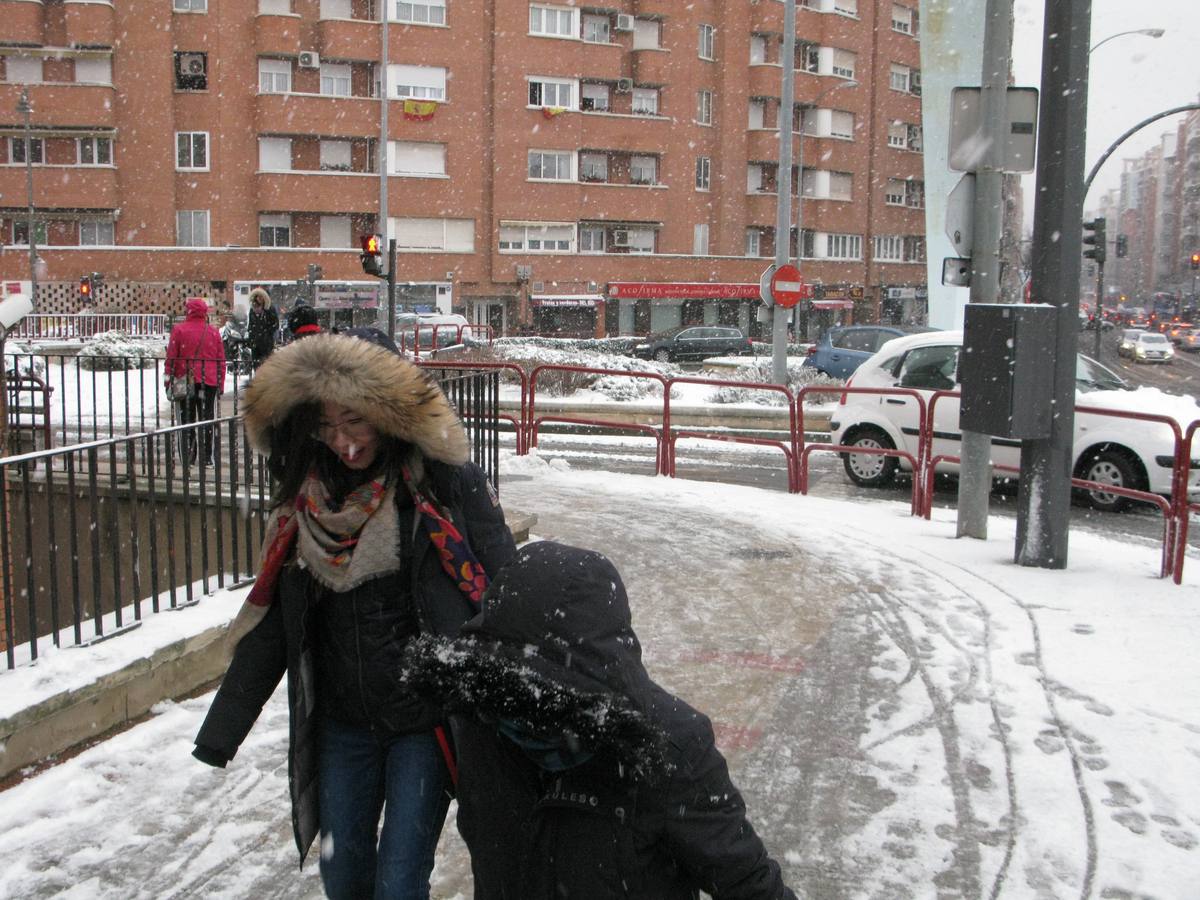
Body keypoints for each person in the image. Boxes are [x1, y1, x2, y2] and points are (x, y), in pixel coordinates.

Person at [191, 332, 516, 900]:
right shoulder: (304, 508)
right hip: (344, 727)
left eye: (356, 422)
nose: (343, 442)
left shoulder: (436, 486)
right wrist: (223, 731)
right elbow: (275, 627)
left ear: (386, 416)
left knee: (398, 882)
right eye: (326, 426)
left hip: (422, 724)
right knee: (343, 878)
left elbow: (506, 584)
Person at [403, 540, 799, 900]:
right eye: (510, 697)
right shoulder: (483, 720)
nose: (520, 719)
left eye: (541, 701)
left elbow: (749, 884)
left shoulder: (672, 749)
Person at [164, 296, 226, 465]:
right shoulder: (213, 332)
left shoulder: (179, 330)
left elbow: (171, 357)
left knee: (186, 421)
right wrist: (220, 383)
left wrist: (168, 380)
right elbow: (221, 360)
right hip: (209, 382)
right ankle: (207, 458)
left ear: (188, 312)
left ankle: (189, 456)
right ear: (204, 313)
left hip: (184, 381)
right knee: (208, 419)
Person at [246, 287, 279, 370]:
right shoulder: (252, 311)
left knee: (266, 365)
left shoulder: (270, 310)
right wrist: (251, 338)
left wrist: (266, 333)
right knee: (256, 365)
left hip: (266, 343)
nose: (256, 309)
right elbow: (251, 325)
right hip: (255, 343)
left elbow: (275, 324)